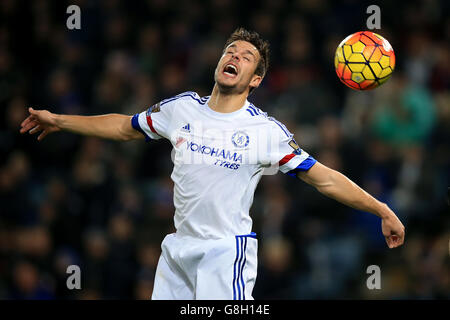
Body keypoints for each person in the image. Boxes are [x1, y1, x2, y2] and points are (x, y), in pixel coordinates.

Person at [19, 28, 405, 300]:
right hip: (177, 251)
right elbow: (123, 127)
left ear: (256, 79)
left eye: (246, 56)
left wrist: (381, 208)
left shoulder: (264, 131)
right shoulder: (180, 108)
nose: (234, 57)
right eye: (230, 51)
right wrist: (60, 121)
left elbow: (324, 179)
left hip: (225, 253)